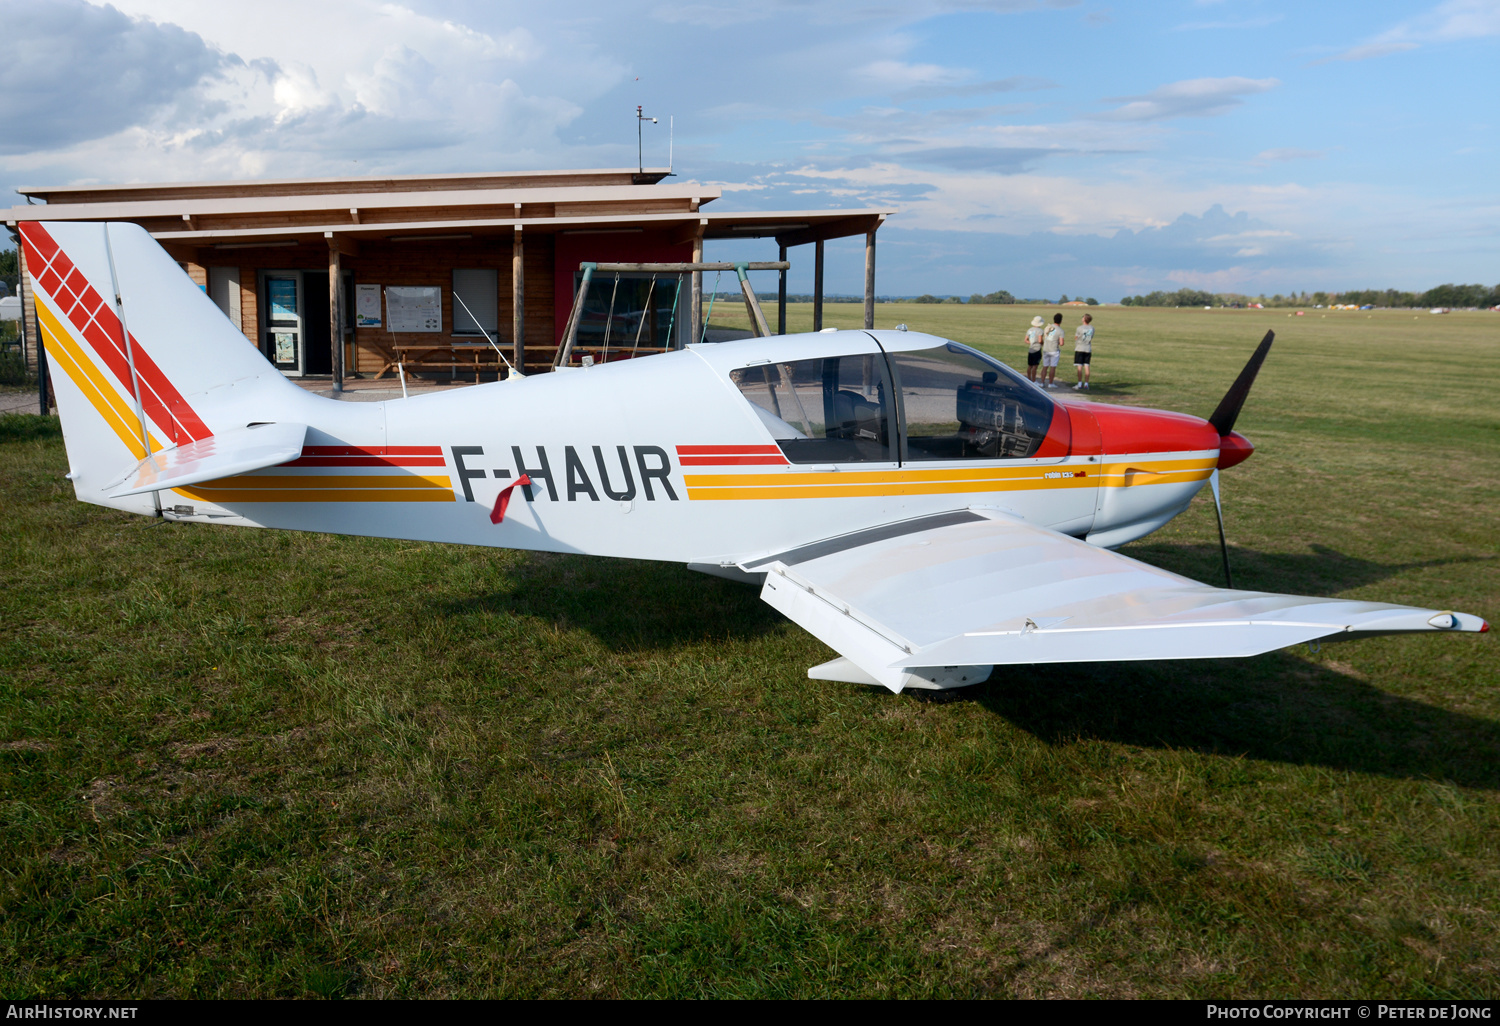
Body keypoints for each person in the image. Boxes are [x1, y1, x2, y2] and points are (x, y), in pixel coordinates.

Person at [1040, 312, 1064, 388]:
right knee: (1053, 367)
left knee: (1045, 366)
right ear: (1061, 321)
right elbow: (1061, 343)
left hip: (1046, 349)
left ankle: (1042, 382)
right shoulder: (1060, 330)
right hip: (1054, 350)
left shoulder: (1048, 327)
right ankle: (1050, 383)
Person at [1072, 313, 1094, 390]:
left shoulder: (1079, 328)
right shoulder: (1092, 328)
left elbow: (1076, 337)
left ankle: (1079, 383)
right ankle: (1086, 384)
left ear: (1084, 319)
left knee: (1079, 367)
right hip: (1087, 348)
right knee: (1087, 366)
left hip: (1080, 348)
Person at [1024, 315, 1044, 382]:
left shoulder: (1030, 330)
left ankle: (1029, 379)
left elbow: (1026, 340)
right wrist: (1042, 343)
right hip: (1037, 349)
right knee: (1035, 366)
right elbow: (1040, 340)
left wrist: (1031, 342)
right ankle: (1034, 380)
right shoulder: (1040, 330)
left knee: (1030, 366)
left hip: (1031, 349)